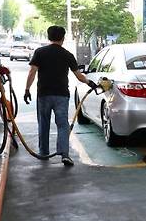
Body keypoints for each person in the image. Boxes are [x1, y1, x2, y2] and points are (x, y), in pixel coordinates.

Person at [24, 25, 97, 166]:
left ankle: (44, 153)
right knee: (63, 124)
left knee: (43, 124)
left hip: (44, 94)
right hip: (62, 95)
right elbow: (78, 76)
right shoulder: (67, 55)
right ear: (63, 38)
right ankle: (64, 154)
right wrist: (90, 83)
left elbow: (32, 72)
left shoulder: (40, 52)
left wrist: (27, 90)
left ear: (48, 37)